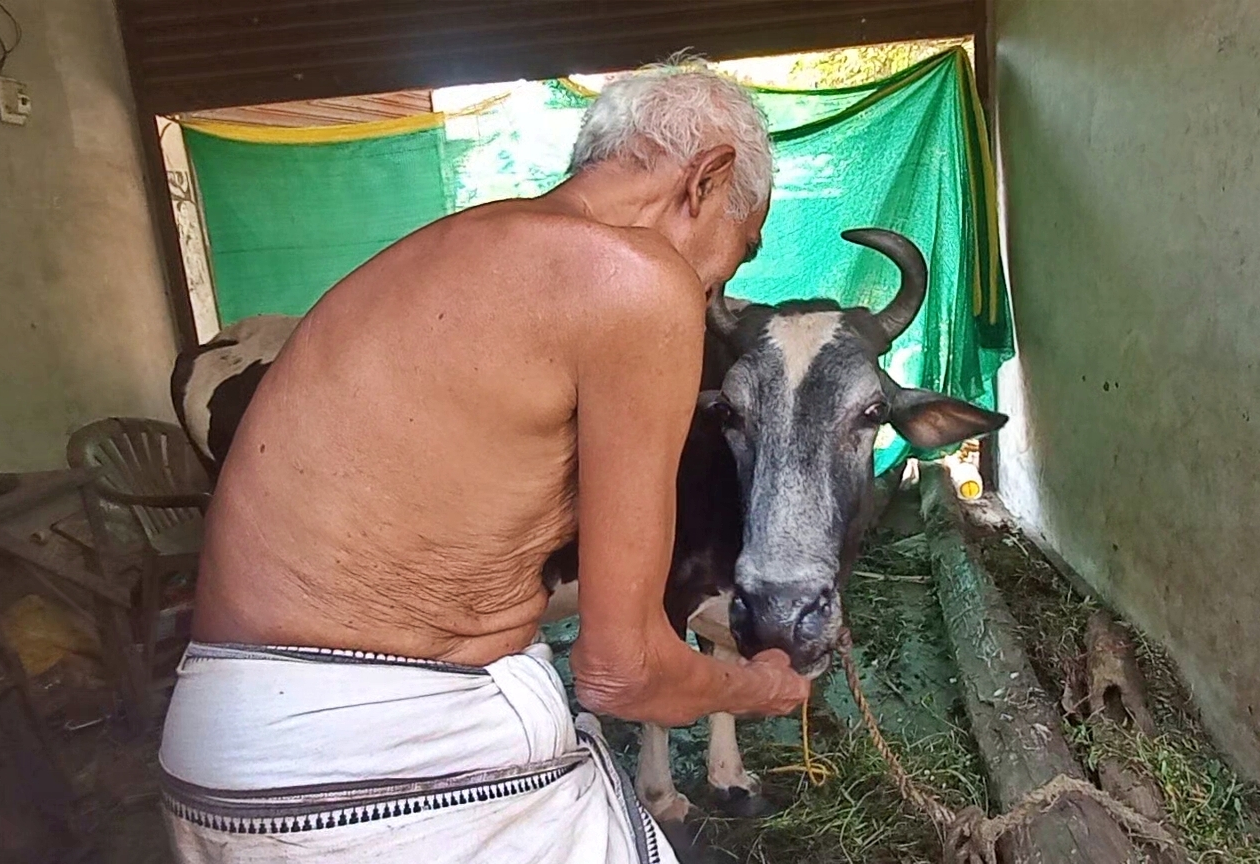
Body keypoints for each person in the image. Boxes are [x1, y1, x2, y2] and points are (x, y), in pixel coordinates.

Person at [158, 57, 811, 864]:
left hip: (220, 754)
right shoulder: (637, 280)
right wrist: (760, 686)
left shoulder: (442, 250)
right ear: (704, 181)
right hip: (389, 765)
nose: (715, 290)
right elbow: (622, 672)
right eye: (738, 252)